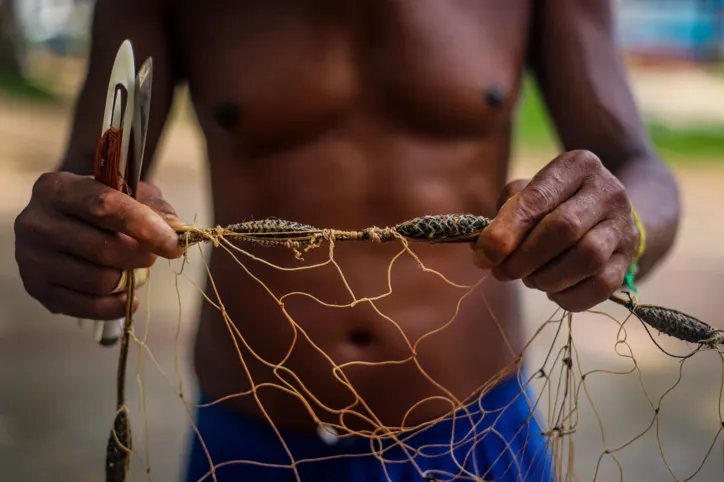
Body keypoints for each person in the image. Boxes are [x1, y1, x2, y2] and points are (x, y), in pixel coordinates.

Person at [14, 1, 680, 481]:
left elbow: (639, 168)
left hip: (474, 434)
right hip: (248, 445)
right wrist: (72, 236)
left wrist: (625, 225)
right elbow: (92, 180)